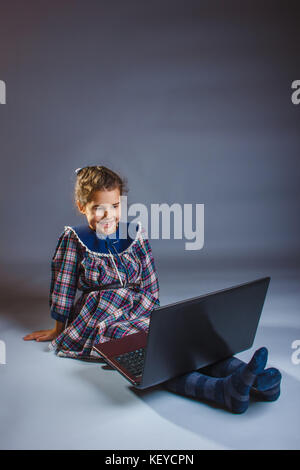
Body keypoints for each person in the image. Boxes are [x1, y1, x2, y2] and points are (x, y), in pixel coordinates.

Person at [23, 165, 281, 414]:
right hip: (102, 316)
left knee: (179, 343)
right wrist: (58, 328)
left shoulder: (134, 234)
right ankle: (220, 391)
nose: (108, 215)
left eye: (114, 206)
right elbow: (63, 285)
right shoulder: (74, 239)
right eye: (98, 208)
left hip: (138, 306)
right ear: (82, 207)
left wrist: (158, 321)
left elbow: (149, 281)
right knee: (154, 361)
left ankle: (256, 379)